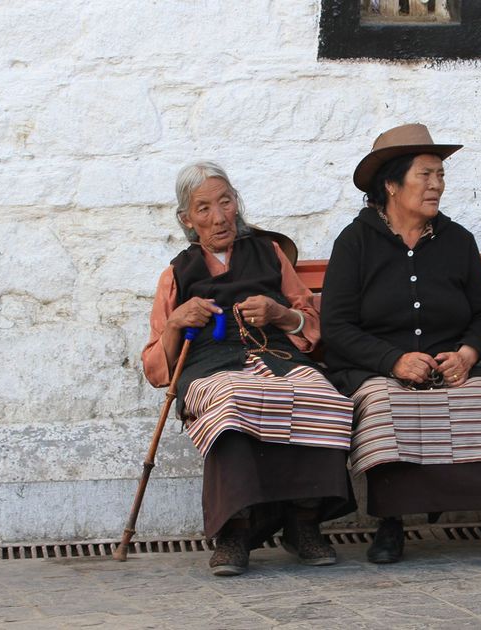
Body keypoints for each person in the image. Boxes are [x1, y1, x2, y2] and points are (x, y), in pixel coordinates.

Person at [321, 124, 481, 565]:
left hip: (453, 367)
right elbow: (337, 326)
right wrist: (393, 361)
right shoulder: (355, 244)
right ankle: (391, 522)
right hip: (378, 369)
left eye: (441, 176)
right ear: (391, 184)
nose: (437, 185)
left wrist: (468, 353)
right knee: (386, 404)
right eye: (425, 175)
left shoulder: (457, 240)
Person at [141, 162, 355, 576]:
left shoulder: (269, 253)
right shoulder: (176, 273)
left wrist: (279, 313)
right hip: (209, 368)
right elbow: (156, 368)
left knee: (321, 393)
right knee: (232, 400)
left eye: (226, 201)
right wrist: (175, 322)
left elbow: (310, 325)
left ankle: (303, 521)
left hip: (279, 358)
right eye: (203, 208)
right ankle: (235, 531)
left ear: (236, 202)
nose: (219, 217)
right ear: (187, 219)